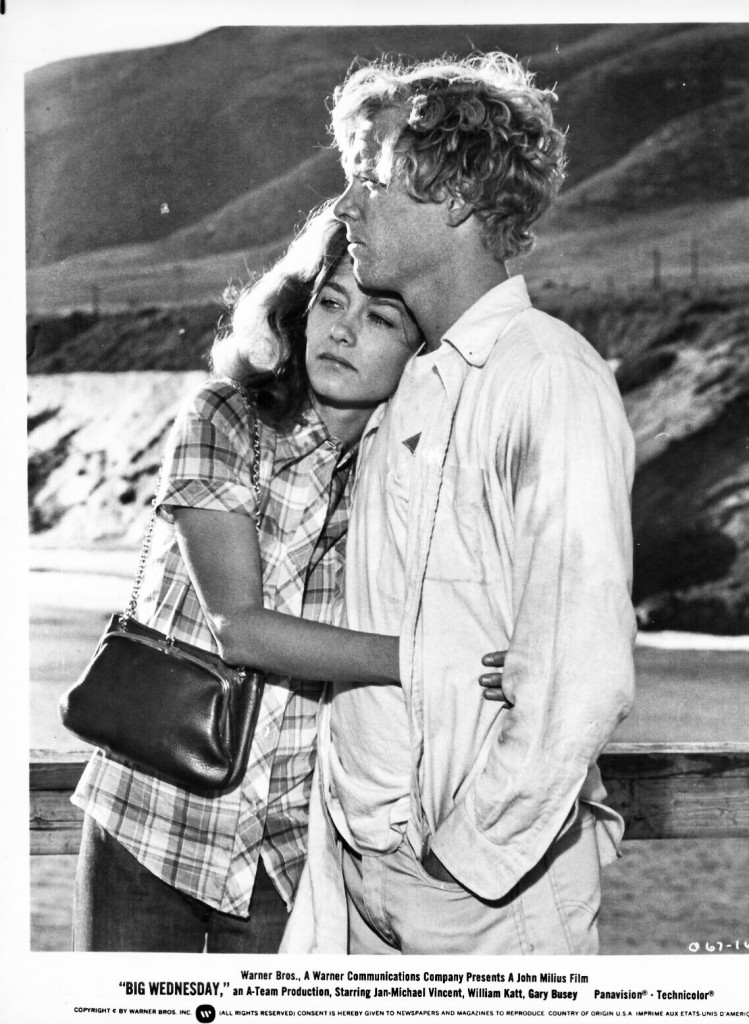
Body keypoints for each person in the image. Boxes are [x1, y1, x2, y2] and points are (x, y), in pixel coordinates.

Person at [285, 52, 636, 955]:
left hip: (480, 906)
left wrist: (463, 866)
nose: (345, 206)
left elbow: (581, 671)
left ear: (452, 196)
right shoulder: (404, 379)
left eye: (368, 180)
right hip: (362, 889)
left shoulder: (546, 376)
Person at [70, 203, 426, 952]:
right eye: (331, 301)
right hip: (150, 818)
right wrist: (426, 660)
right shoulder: (225, 417)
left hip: (290, 854)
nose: (343, 330)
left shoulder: (407, 475)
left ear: (420, 350)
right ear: (301, 310)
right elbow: (240, 628)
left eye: (380, 318)